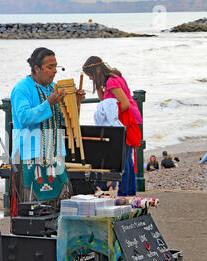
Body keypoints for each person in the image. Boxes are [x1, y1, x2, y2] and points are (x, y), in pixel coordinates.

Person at [10, 47, 85, 213]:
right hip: (29, 153)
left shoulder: (53, 88)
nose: (55, 71)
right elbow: (24, 117)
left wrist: (76, 103)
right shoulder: (22, 88)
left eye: (56, 66)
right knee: (29, 205)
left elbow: (65, 121)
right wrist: (49, 103)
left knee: (61, 204)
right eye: (50, 67)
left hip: (55, 152)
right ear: (37, 68)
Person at [83, 56, 142, 197]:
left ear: (97, 70)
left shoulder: (112, 82)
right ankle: (129, 191)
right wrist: (98, 86)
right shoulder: (114, 78)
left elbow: (125, 103)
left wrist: (111, 116)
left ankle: (125, 192)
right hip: (130, 119)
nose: (90, 79)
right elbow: (105, 101)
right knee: (126, 158)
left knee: (123, 158)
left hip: (126, 121)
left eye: (91, 75)